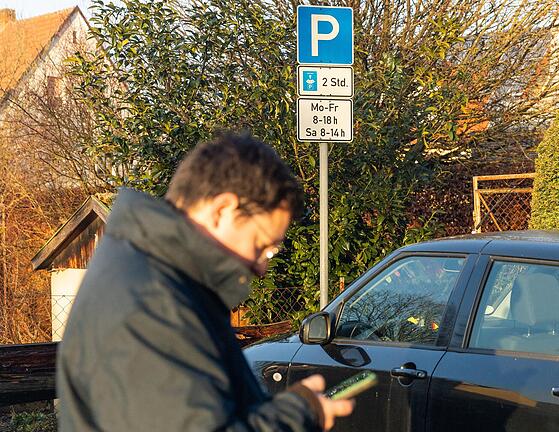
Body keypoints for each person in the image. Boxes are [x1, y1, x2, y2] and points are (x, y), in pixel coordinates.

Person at [57, 130, 354, 431]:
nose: (263, 267)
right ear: (223, 210)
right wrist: (296, 415)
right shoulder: (151, 303)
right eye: (262, 244)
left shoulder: (163, 279)